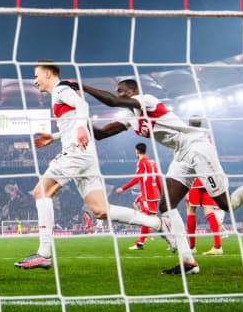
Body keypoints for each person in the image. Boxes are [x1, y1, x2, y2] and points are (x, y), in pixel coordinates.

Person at [81, 79, 243, 275]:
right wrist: (78, 120)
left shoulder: (146, 100)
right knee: (166, 206)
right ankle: (188, 262)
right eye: (116, 91)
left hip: (198, 148)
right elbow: (101, 134)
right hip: (182, 156)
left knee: (227, 205)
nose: (117, 94)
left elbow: (111, 102)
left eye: (120, 91)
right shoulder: (131, 118)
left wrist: (81, 87)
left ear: (131, 92)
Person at [17, 61, 172, 270]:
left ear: (47, 74)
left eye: (36, 76)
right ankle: (159, 224)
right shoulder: (61, 93)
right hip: (85, 155)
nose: (34, 81)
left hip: (75, 152)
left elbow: (83, 107)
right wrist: (53, 137)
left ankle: (44, 253)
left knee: (40, 193)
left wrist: (81, 127)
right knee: (100, 211)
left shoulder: (61, 88)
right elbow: (73, 121)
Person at [184, 117, 227, 256]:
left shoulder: (188, 139)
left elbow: (186, 161)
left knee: (191, 209)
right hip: (209, 178)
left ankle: (191, 247)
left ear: (188, 125)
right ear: (201, 125)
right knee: (209, 210)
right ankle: (217, 246)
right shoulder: (209, 140)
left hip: (195, 179)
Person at [115, 143, 161, 250]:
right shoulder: (152, 162)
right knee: (146, 218)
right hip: (154, 194)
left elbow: (137, 178)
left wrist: (123, 188)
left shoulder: (142, 162)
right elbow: (158, 178)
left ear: (137, 151)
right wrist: (162, 193)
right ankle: (140, 243)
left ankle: (170, 237)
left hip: (147, 195)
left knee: (149, 219)